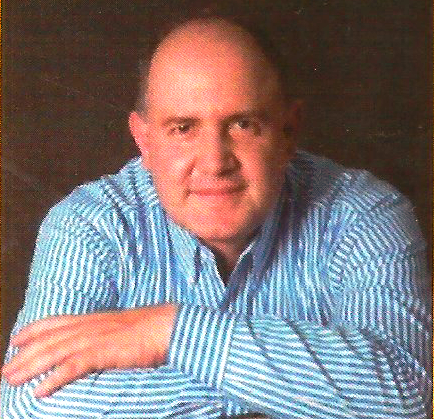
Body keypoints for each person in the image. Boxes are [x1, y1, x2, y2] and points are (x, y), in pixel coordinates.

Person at [1, 16, 432, 419]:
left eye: (243, 124)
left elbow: (406, 396)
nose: (214, 162)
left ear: (288, 131)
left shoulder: (364, 213)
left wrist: (169, 332)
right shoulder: (91, 223)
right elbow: (28, 404)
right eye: (183, 128)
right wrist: (293, 391)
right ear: (144, 141)